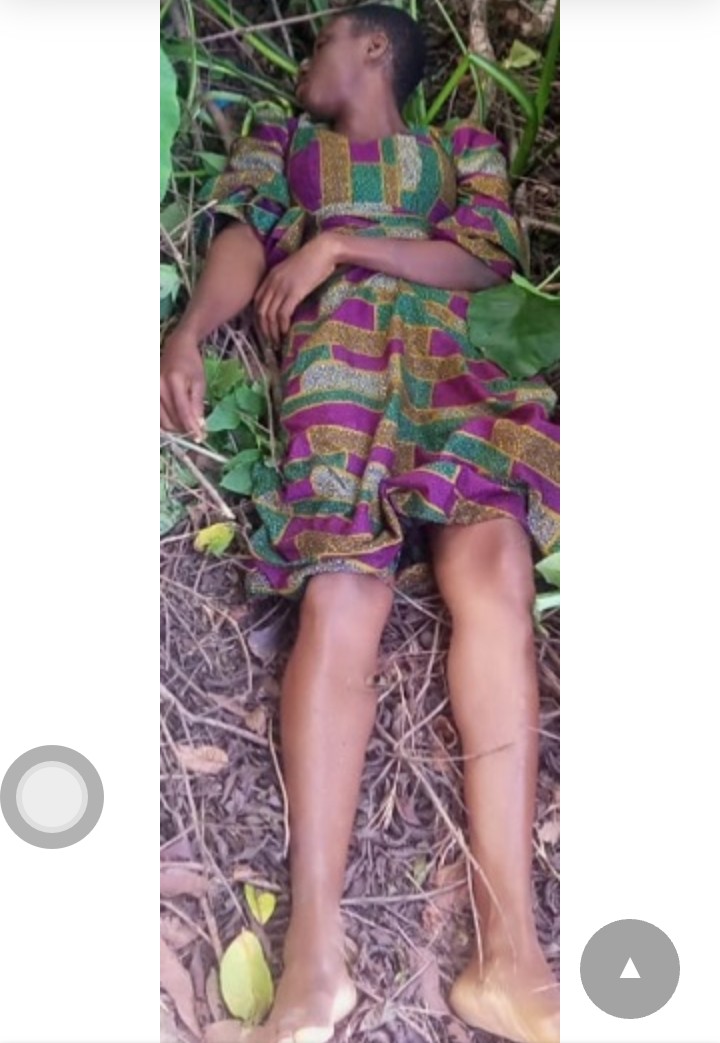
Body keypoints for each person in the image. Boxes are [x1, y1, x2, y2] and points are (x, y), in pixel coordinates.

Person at [160, 4, 559, 1041]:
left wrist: (338, 241)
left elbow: (486, 258)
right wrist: (192, 329)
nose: (306, 64)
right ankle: (314, 958)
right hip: (336, 368)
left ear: (374, 47)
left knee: (497, 576)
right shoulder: (284, 144)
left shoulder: (459, 148)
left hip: (457, 373)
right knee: (340, 598)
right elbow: (244, 239)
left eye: (321, 41)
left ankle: (510, 955)